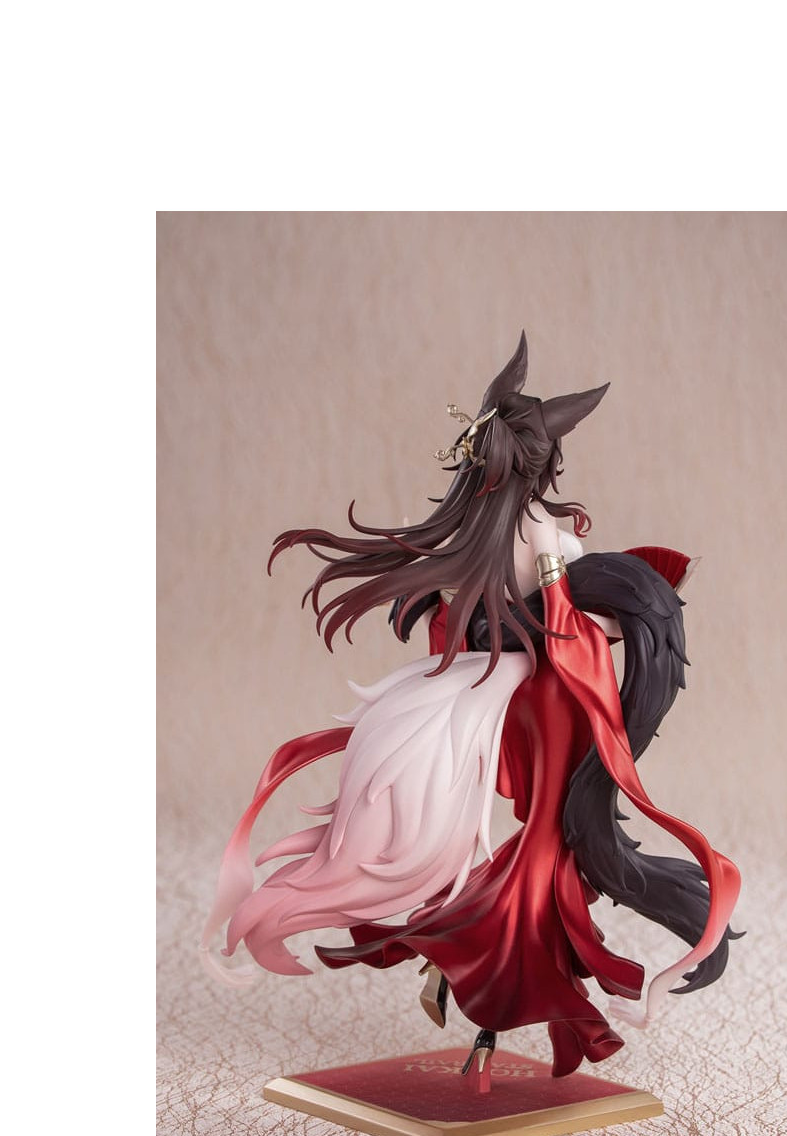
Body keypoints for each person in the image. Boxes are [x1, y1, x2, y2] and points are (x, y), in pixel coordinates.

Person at [203, 333, 741, 1084]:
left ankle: (458, 962)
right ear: (544, 463)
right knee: (552, 840)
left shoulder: (484, 525)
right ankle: (477, 977)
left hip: (519, 689)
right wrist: (628, 612)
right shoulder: (539, 531)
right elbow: (565, 624)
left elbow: (475, 610)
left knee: (556, 838)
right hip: (555, 690)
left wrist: (617, 597)